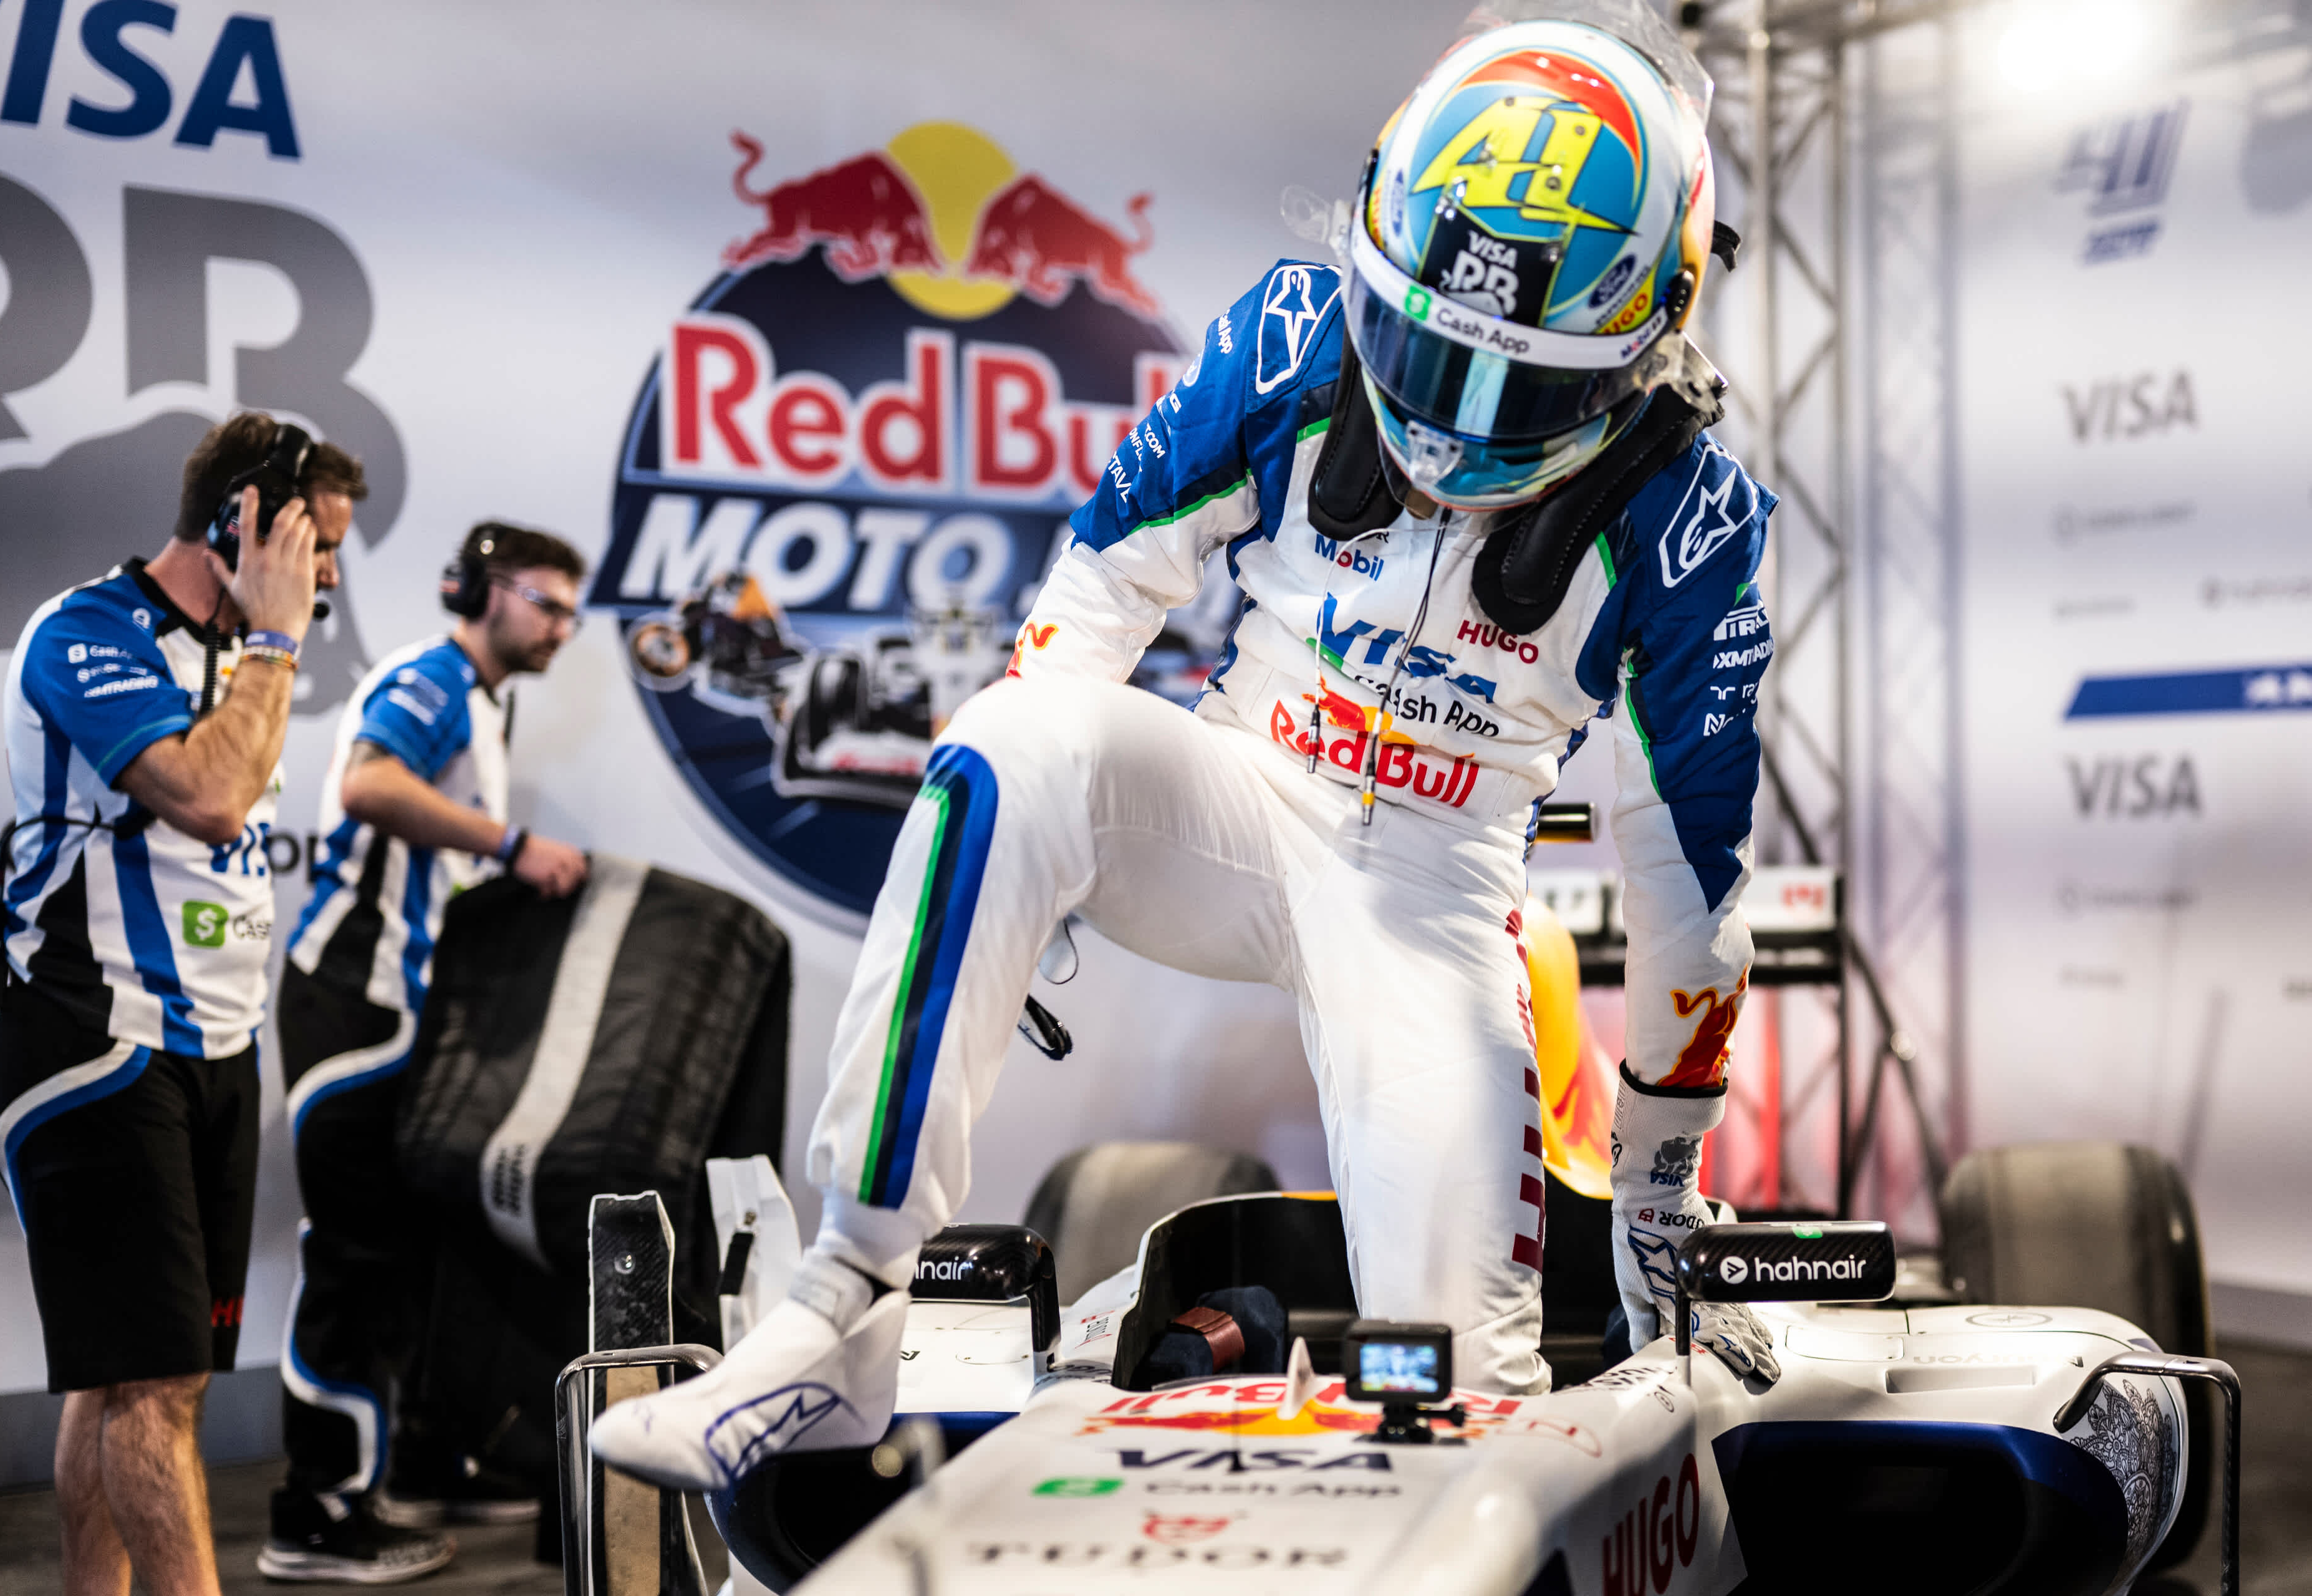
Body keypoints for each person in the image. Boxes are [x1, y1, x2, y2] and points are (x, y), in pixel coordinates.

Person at [594, 6, 1781, 1492]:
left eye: (1519, 382)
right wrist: (1031, 873)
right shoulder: (1292, 332)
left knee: (1467, 1395)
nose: (1454, 423)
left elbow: (1690, 890)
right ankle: (843, 1306)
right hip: (1238, 793)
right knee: (1007, 744)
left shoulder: (1694, 519)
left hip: (1431, 896)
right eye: (1428, 349)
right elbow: (1103, 581)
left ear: (1652, 336)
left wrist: (1661, 1186)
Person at [0, 411, 353, 1595]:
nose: (326, 579)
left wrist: (267, 645)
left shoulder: (247, 654)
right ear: (243, 521)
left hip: (215, 1042)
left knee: (122, 1371)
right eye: (315, 546)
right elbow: (207, 797)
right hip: (95, 1041)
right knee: (157, 1383)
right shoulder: (89, 631)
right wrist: (278, 642)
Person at [261, 523, 590, 1582]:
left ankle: (420, 1461)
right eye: (547, 603)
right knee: (355, 1262)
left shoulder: (485, 700)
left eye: (572, 610)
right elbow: (368, 786)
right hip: (351, 1005)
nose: (563, 627)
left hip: (401, 1012)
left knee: (419, 1254)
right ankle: (315, 1514)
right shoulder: (434, 678)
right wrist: (512, 846)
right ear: (483, 591)